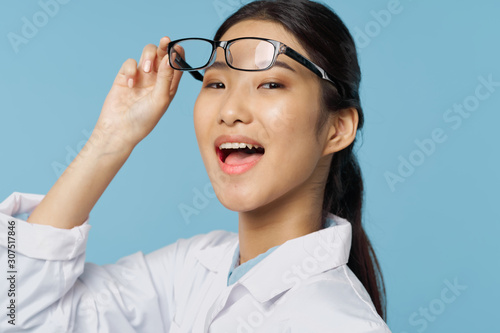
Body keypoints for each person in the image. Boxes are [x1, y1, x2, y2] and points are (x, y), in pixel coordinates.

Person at [0, 0, 391, 331]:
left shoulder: (339, 322)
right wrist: (111, 138)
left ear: (338, 129)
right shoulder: (194, 268)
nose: (231, 111)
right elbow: (17, 311)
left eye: (270, 84)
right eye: (216, 84)